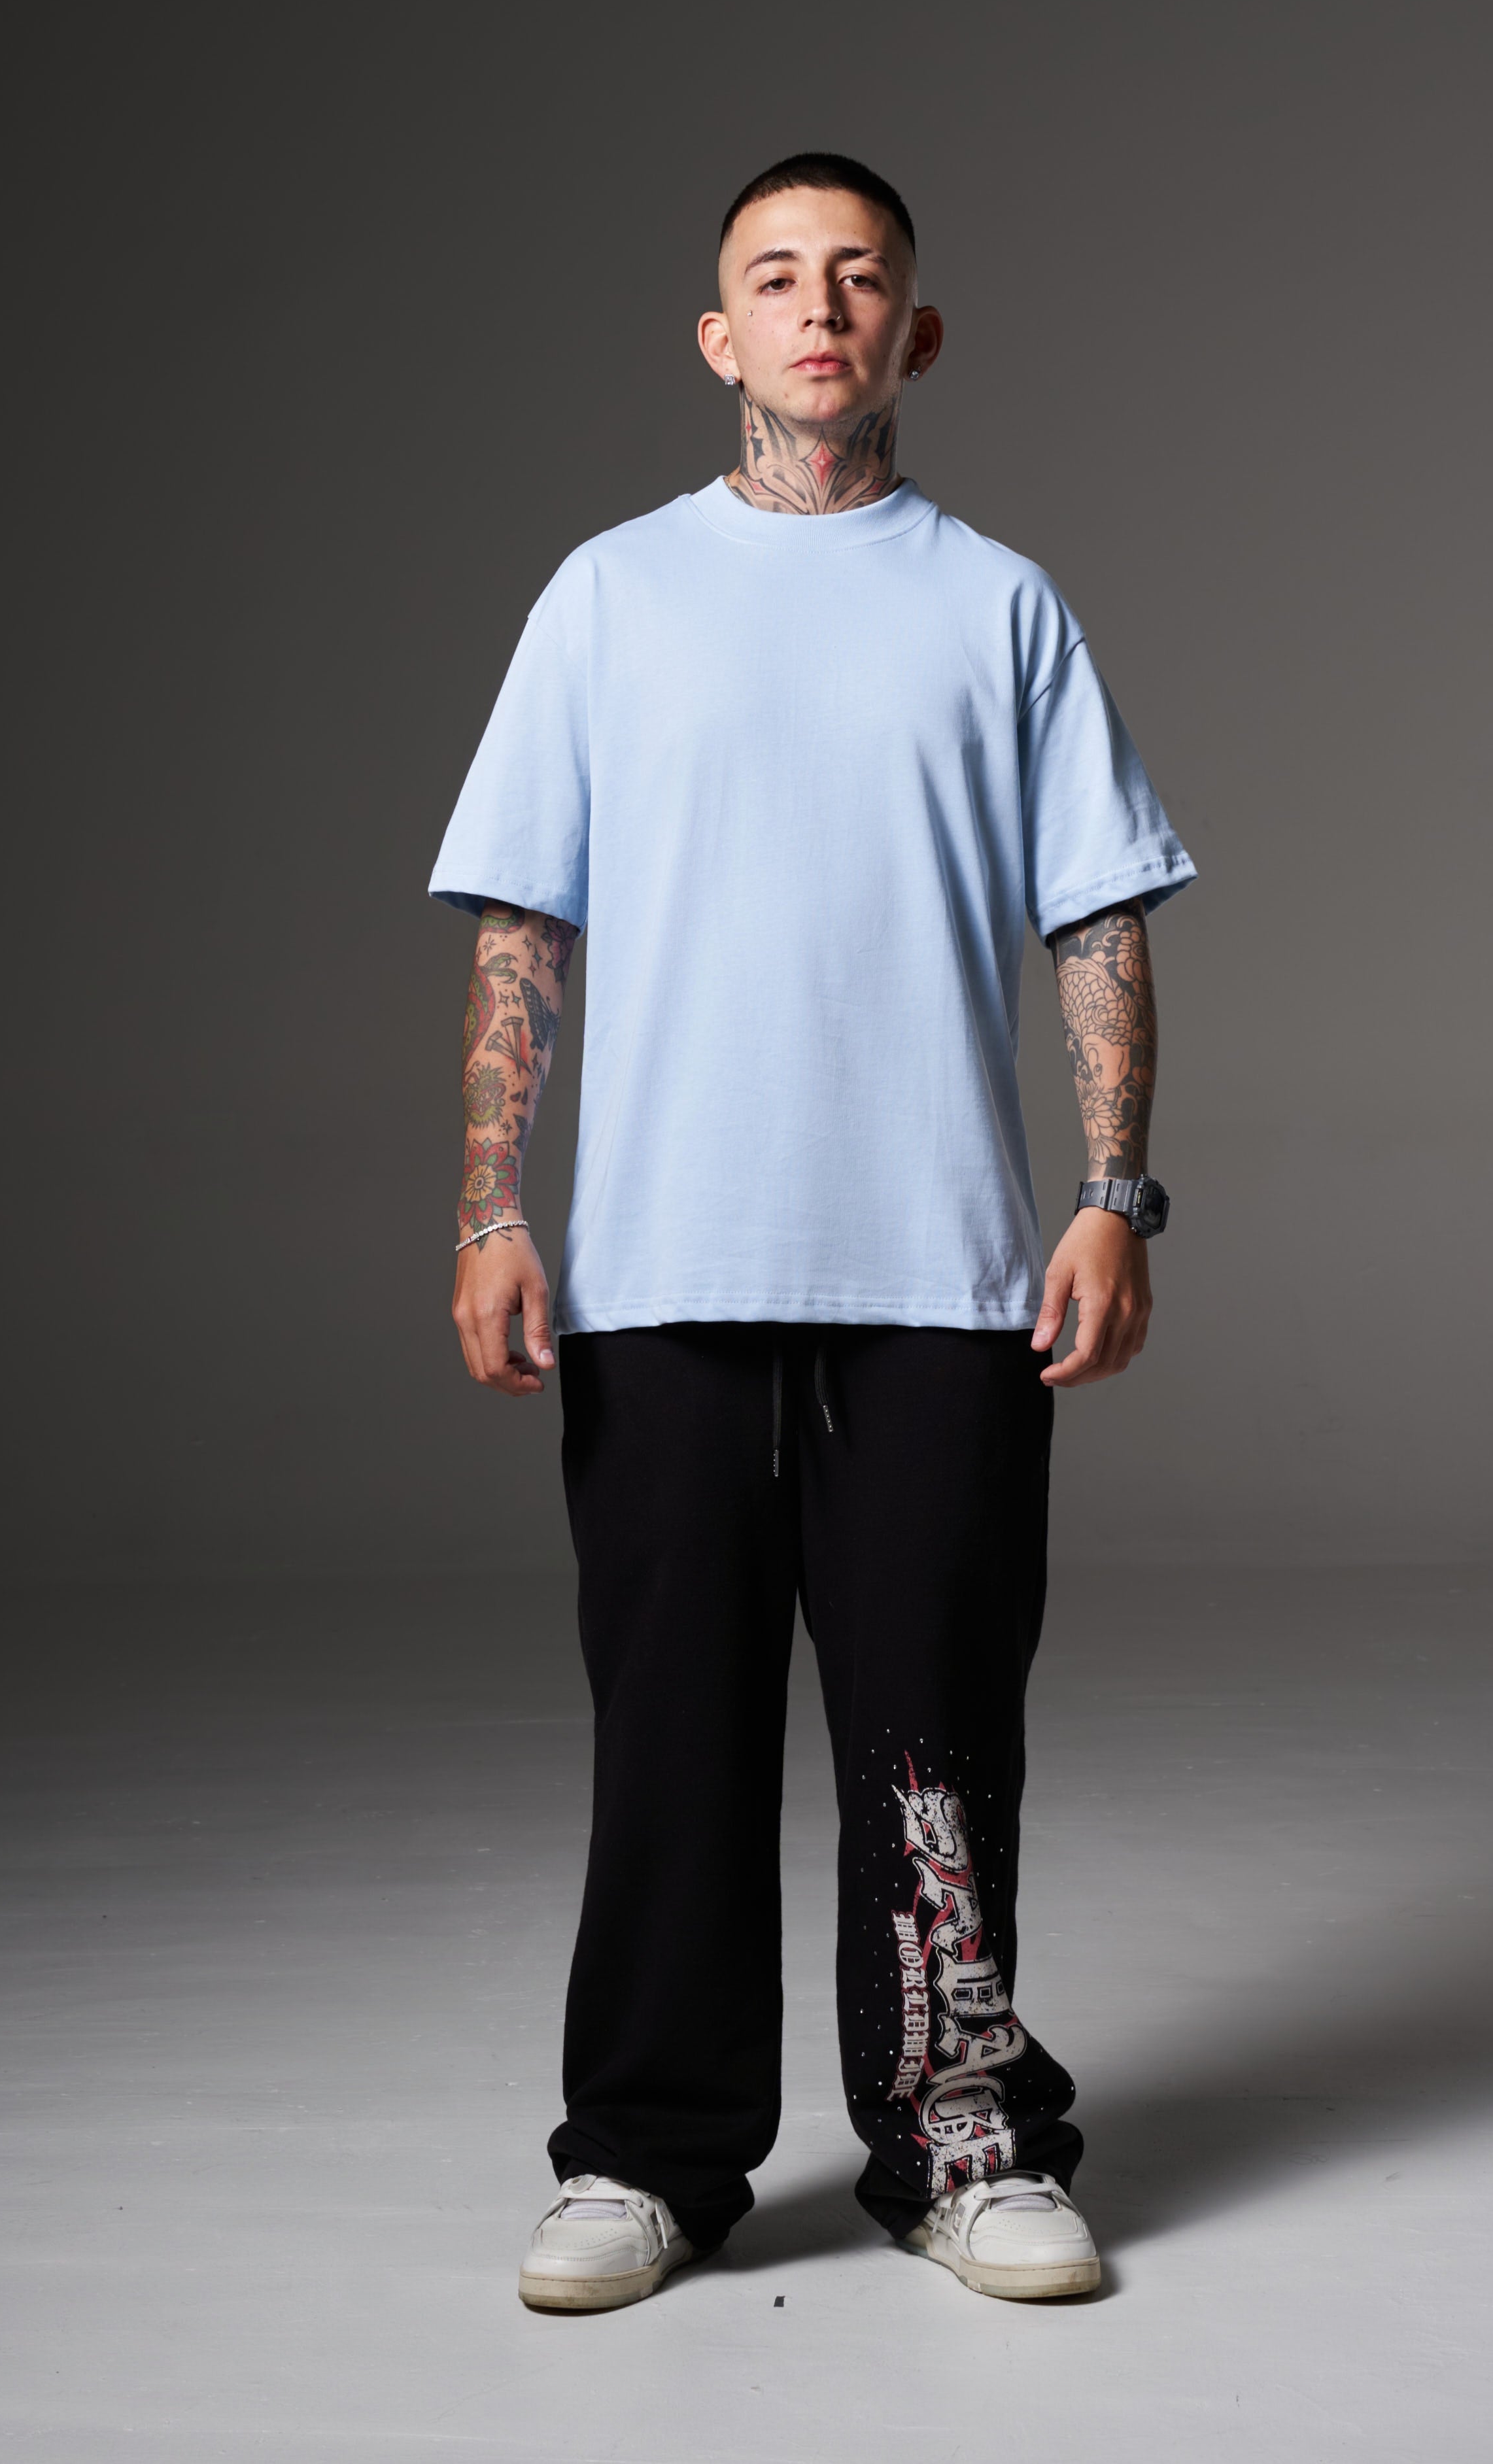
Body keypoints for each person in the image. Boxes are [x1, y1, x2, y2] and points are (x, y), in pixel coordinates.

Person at [429, 151, 1193, 2311]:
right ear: (719, 335)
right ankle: (647, 2156)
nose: (821, 307)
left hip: (942, 1283)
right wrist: (492, 1202)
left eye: (860, 277)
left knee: (934, 1731)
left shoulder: (1001, 605)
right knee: (669, 1731)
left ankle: (960, 2141)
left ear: (915, 331)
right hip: (661, 1272)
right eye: (777, 276)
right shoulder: (609, 597)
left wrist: (1114, 1197)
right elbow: (524, 921)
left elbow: (1099, 917)